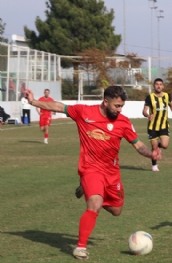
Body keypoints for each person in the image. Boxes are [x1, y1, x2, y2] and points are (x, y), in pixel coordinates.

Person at [25, 86, 162, 260]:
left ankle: (88, 188)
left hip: (112, 172)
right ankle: (80, 247)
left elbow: (138, 145)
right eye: (117, 106)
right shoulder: (84, 112)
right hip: (90, 168)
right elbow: (59, 107)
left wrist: (151, 154)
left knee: (116, 210)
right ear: (106, 102)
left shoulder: (123, 122)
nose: (120, 110)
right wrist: (33, 102)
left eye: (122, 106)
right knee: (95, 203)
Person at [142, 78, 172, 172]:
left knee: (165, 145)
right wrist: (148, 115)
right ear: (154, 86)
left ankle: (159, 145)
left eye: (160, 84)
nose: (159, 86)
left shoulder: (167, 96)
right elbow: (144, 111)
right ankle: (154, 165)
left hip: (164, 125)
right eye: (157, 84)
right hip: (152, 127)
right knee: (154, 148)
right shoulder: (150, 97)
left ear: (163, 86)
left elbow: (171, 105)